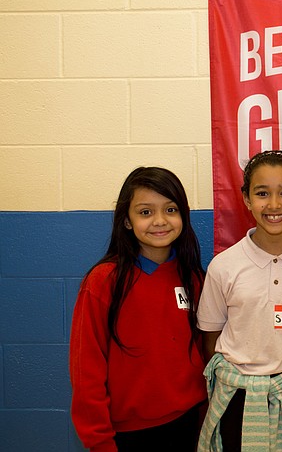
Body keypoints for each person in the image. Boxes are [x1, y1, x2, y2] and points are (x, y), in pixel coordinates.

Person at [196, 150, 282, 452]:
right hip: (236, 398)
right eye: (262, 193)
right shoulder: (223, 266)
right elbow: (210, 340)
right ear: (246, 199)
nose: (274, 205)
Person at [70, 167, 206, 452]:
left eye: (170, 209)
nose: (160, 221)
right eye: (145, 212)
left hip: (189, 425)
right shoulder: (103, 282)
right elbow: (87, 374)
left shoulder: (193, 278)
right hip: (128, 435)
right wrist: (100, 442)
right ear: (127, 221)